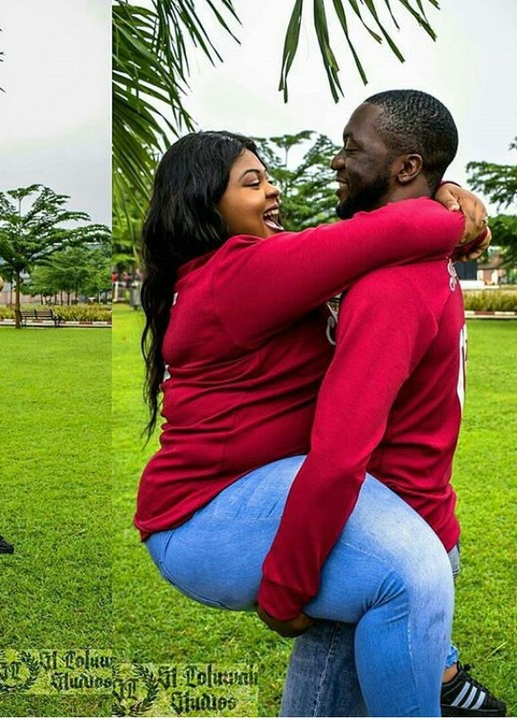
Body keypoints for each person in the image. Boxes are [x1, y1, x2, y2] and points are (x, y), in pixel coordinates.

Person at [135, 130, 487, 715]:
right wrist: (455, 215)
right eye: (253, 183)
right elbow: (390, 230)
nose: (273, 191)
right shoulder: (236, 276)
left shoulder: (267, 262)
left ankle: (439, 665)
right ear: (204, 202)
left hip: (261, 486)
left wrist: (443, 191)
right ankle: (439, 674)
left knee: (356, 604)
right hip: (205, 512)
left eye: (269, 177)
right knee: (408, 574)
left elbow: (369, 242)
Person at [273, 91, 505, 717]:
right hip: (424, 520)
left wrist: (285, 586)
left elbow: (342, 453)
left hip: (386, 546)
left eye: (353, 148)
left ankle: (445, 672)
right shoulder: (422, 253)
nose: (336, 161)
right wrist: (451, 197)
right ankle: (446, 671)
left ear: (405, 168)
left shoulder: (390, 285)